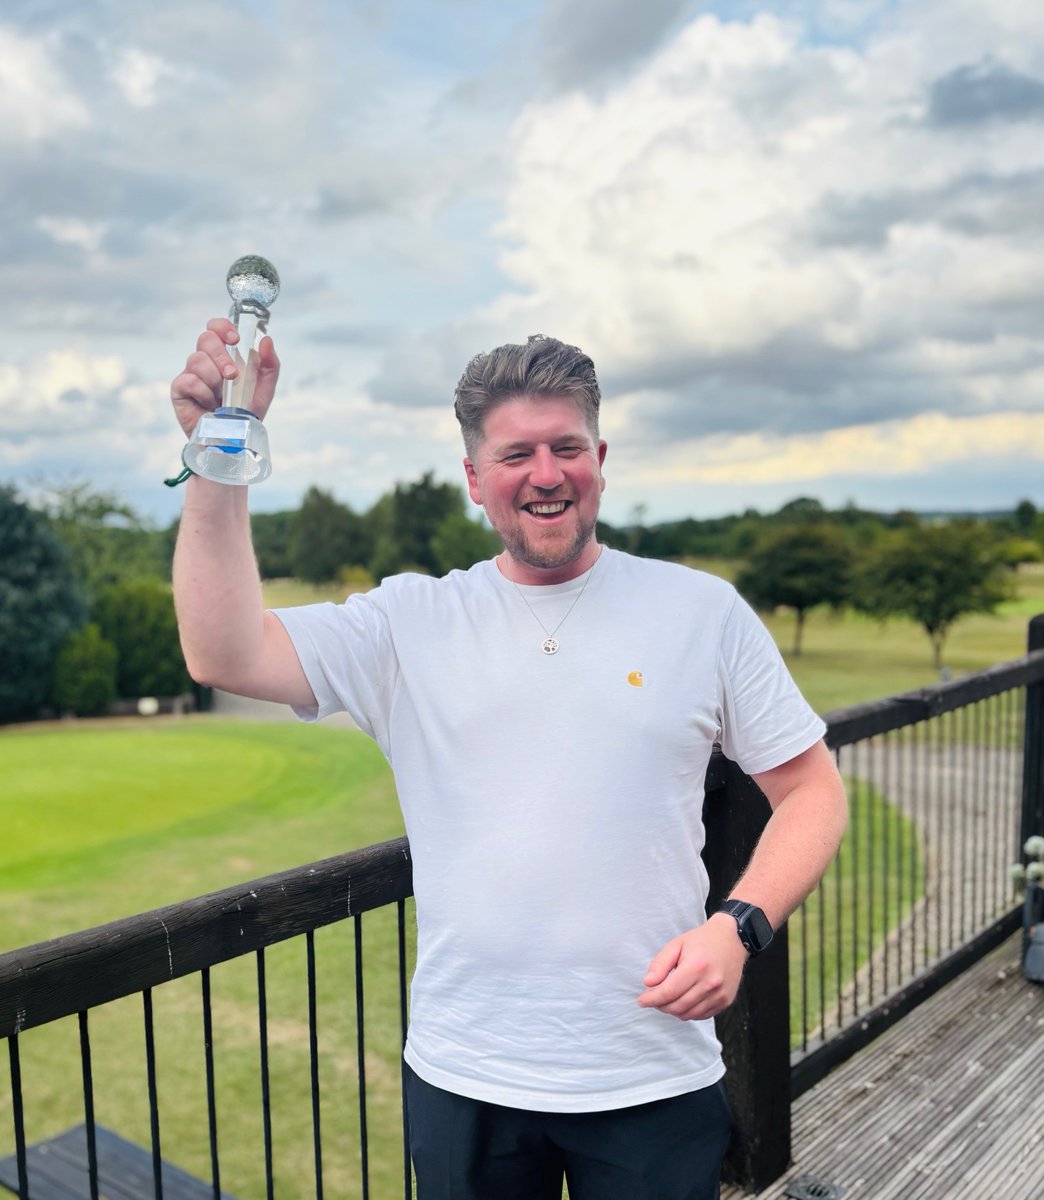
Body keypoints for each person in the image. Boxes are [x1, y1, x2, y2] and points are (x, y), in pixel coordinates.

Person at [170, 321, 847, 1200]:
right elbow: (222, 652)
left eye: (567, 447)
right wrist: (218, 454)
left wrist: (739, 927)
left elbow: (812, 790)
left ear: (600, 459)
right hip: (466, 1075)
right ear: (474, 480)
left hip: (653, 1073)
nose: (546, 473)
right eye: (516, 453)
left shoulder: (701, 611)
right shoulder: (409, 624)